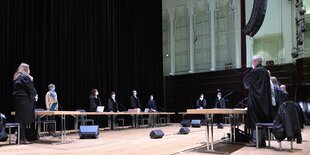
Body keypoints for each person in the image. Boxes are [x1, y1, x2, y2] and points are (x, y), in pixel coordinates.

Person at [243, 55, 273, 147]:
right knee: (262, 119)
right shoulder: (265, 71)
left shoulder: (255, 71)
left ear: (256, 61)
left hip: (255, 99)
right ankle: (262, 140)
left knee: (255, 120)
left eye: (252, 61)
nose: (252, 63)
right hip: (264, 101)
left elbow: (246, 82)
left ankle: (255, 141)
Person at [13, 63, 38, 144]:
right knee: (23, 120)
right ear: (26, 69)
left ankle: (20, 138)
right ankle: (22, 139)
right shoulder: (24, 77)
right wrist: (35, 95)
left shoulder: (17, 76)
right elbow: (31, 88)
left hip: (19, 100)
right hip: (24, 100)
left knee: (20, 119)